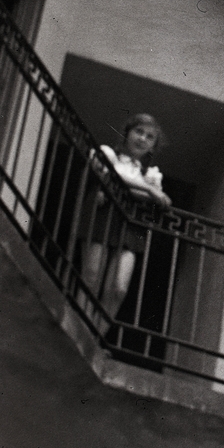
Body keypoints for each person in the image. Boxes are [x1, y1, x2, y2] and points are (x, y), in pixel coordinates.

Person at [81, 113, 171, 321]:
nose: (142, 139)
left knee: (119, 288)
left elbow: (151, 197)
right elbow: (110, 173)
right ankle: (76, 328)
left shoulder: (152, 174)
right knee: (91, 277)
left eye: (149, 137)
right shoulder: (107, 154)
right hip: (102, 218)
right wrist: (150, 191)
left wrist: (148, 191)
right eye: (138, 132)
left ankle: (95, 336)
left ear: (153, 146)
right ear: (126, 133)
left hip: (131, 226)